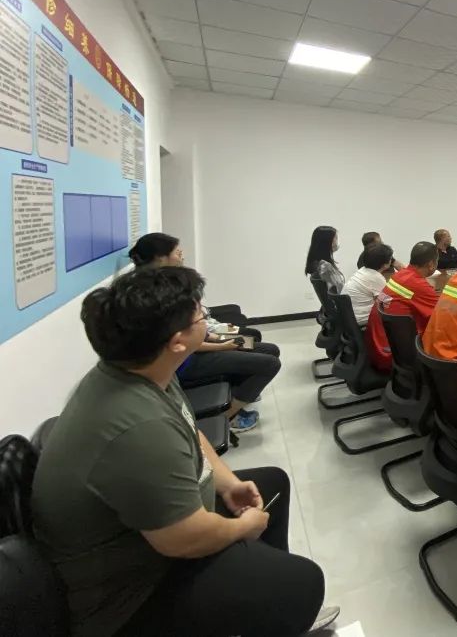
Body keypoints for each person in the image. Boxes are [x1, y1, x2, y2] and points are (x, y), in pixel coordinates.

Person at [31, 266, 337, 637]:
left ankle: (268, 608)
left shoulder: (144, 371)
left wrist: (227, 483)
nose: (205, 317)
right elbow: (182, 538)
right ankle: (279, 603)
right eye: (200, 314)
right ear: (177, 341)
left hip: (157, 540)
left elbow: (190, 428)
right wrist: (242, 527)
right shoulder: (136, 427)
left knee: (272, 483)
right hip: (134, 593)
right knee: (304, 583)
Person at [129, 233, 280, 433]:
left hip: (201, 345)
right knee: (270, 364)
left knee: (268, 349)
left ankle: (240, 395)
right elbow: (184, 341)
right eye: (177, 252)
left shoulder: (166, 285)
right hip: (187, 361)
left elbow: (194, 331)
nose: (182, 254)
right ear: (160, 258)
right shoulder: (157, 295)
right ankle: (228, 417)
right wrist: (222, 346)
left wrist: (219, 338)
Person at [366, 241, 440, 372]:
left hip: (378, 346)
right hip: (393, 354)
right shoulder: (417, 284)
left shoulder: (399, 275)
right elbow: (442, 316)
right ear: (431, 264)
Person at [343, 243, 395, 326]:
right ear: (385, 264)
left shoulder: (362, 270)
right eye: (390, 258)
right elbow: (386, 303)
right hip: (360, 320)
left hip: (348, 317)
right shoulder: (376, 277)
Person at [304, 225, 343, 292]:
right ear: (326, 241)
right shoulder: (325, 267)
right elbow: (337, 292)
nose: (338, 241)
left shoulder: (320, 264)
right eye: (336, 238)